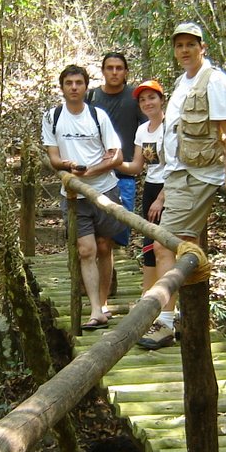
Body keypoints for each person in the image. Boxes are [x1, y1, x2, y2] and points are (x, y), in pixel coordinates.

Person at [146, 22, 226, 350]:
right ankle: (179, 317)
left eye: (190, 44)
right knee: (179, 245)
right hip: (178, 175)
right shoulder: (182, 81)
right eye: (179, 45)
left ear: (202, 46)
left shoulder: (215, 82)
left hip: (198, 176)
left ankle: (165, 321)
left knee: (165, 245)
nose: (184, 50)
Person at [42, 64, 124, 330]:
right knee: (86, 250)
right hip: (74, 195)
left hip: (104, 189)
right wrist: (67, 166)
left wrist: (92, 170)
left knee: (103, 247)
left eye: (79, 83)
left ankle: (102, 302)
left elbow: (116, 155)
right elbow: (53, 157)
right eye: (69, 83)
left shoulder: (98, 116)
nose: (74, 87)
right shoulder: (52, 117)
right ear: (62, 87)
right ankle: (96, 310)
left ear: (86, 87)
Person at [87, 53, 145, 248]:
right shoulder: (91, 97)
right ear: (102, 71)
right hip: (94, 176)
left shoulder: (136, 98)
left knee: (115, 238)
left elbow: (147, 131)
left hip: (123, 176)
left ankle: (112, 277)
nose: (114, 72)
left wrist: (140, 161)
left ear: (126, 72)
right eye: (109, 68)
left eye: (119, 68)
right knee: (93, 238)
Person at [117, 79, 167, 298]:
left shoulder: (172, 126)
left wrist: (162, 198)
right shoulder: (142, 130)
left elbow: (177, 167)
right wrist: (113, 162)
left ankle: (165, 302)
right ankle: (148, 296)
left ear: (161, 100)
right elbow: (137, 166)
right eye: (143, 99)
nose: (148, 103)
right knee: (149, 242)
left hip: (170, 190)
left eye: (152, 97)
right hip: (150, 187)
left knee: (163, 245)